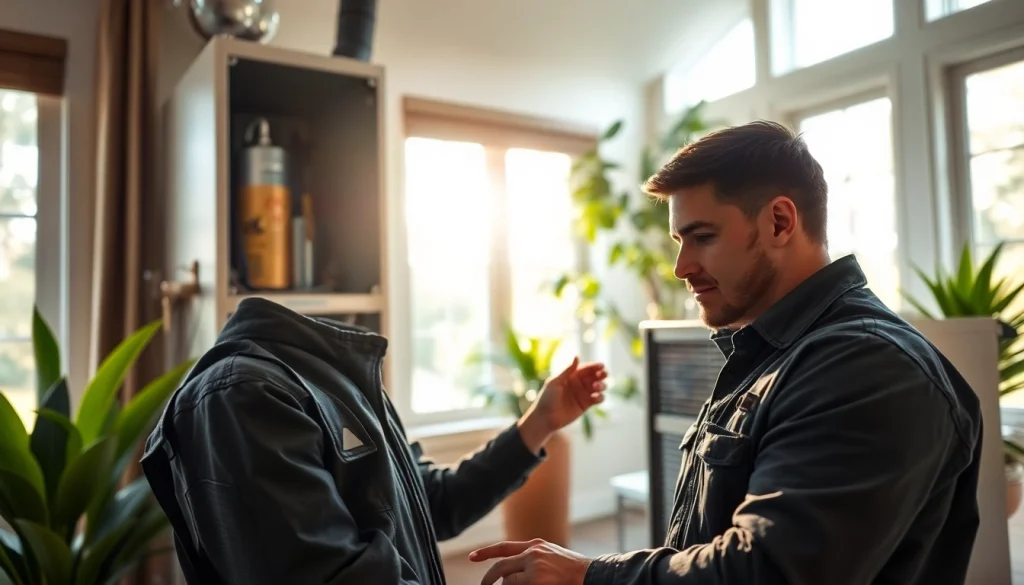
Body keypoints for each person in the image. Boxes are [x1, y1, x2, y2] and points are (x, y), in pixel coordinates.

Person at [469, 120, 983, 585]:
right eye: (678, 240)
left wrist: (589, 575)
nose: (680, 266)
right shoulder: (773, 355)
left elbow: (767, 571)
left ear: (781, 222)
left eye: (702, 237)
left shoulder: (866, 367)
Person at [140, 297, 608, 584]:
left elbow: (434, 504)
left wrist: (540, 422)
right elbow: (328, 575)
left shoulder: (348, 383)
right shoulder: (244, 393)